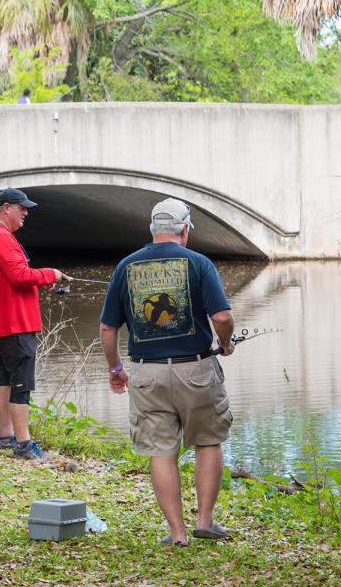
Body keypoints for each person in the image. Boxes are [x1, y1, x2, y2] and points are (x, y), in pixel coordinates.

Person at [98, 197, 235, 547]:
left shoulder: (126, 266)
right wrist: (226, 342)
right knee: (207, 441)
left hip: (147, 374)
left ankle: (177, 534)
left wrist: (116, 368)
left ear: (152, 230)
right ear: (184, 229)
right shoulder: (199, 263)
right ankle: (205, 521)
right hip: (196, 369)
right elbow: (221, 317)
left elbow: (108, 328)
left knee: (161, 450)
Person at [0, 187, 69, 459]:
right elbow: (19, 275)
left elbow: (13, 277)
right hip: (14, 324)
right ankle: (24, 444)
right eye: (22, 207)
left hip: (3, 323)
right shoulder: (0, 237)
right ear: (7, 208)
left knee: (5, 379)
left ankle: (5, 437)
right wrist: (51, 274)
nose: (26, 212)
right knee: (21, 384)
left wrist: (41, 282)